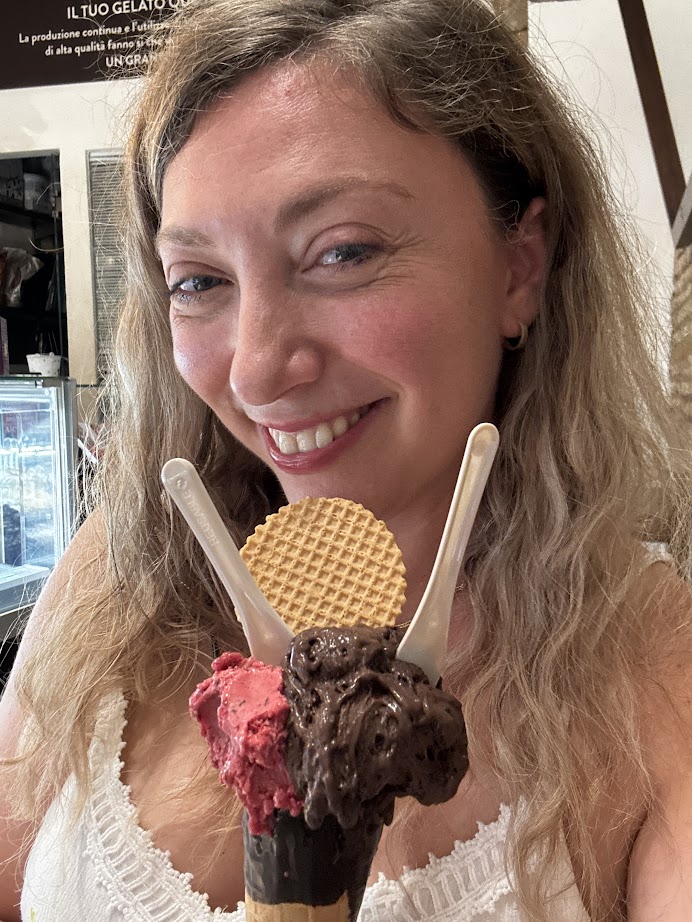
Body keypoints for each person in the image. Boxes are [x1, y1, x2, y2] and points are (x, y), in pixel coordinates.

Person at [1, 1, 691, 919]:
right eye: (200, 281)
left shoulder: (654, 669)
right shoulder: (115, 583)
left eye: (343, 252)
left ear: (520, 266)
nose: (254, 369)